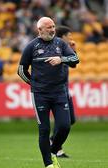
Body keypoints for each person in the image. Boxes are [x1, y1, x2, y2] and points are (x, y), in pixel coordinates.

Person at [17, 17, 79, 168]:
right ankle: (48, 165)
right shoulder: (31, 46)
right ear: (40, 30)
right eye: (49, 27)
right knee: (44, 130)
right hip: (40, 94)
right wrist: (34, 84)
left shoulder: (60, 43)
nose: (52, 29)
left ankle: (53, 151)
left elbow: (75, 59)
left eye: (53, 26)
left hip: (59, 93)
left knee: (65, 126)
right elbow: (21, 70)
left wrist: (61, 59)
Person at [50, 25, 77, 158]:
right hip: (56, 91)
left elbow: (74, 63)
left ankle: (53, 140)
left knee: (71, 120)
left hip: (65, 90)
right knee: (63, 122)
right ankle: (56, 147)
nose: (71, 38)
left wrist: (73, 50)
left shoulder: (66, 49)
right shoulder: (54, 48)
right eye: (69, 36)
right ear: (62, 37)